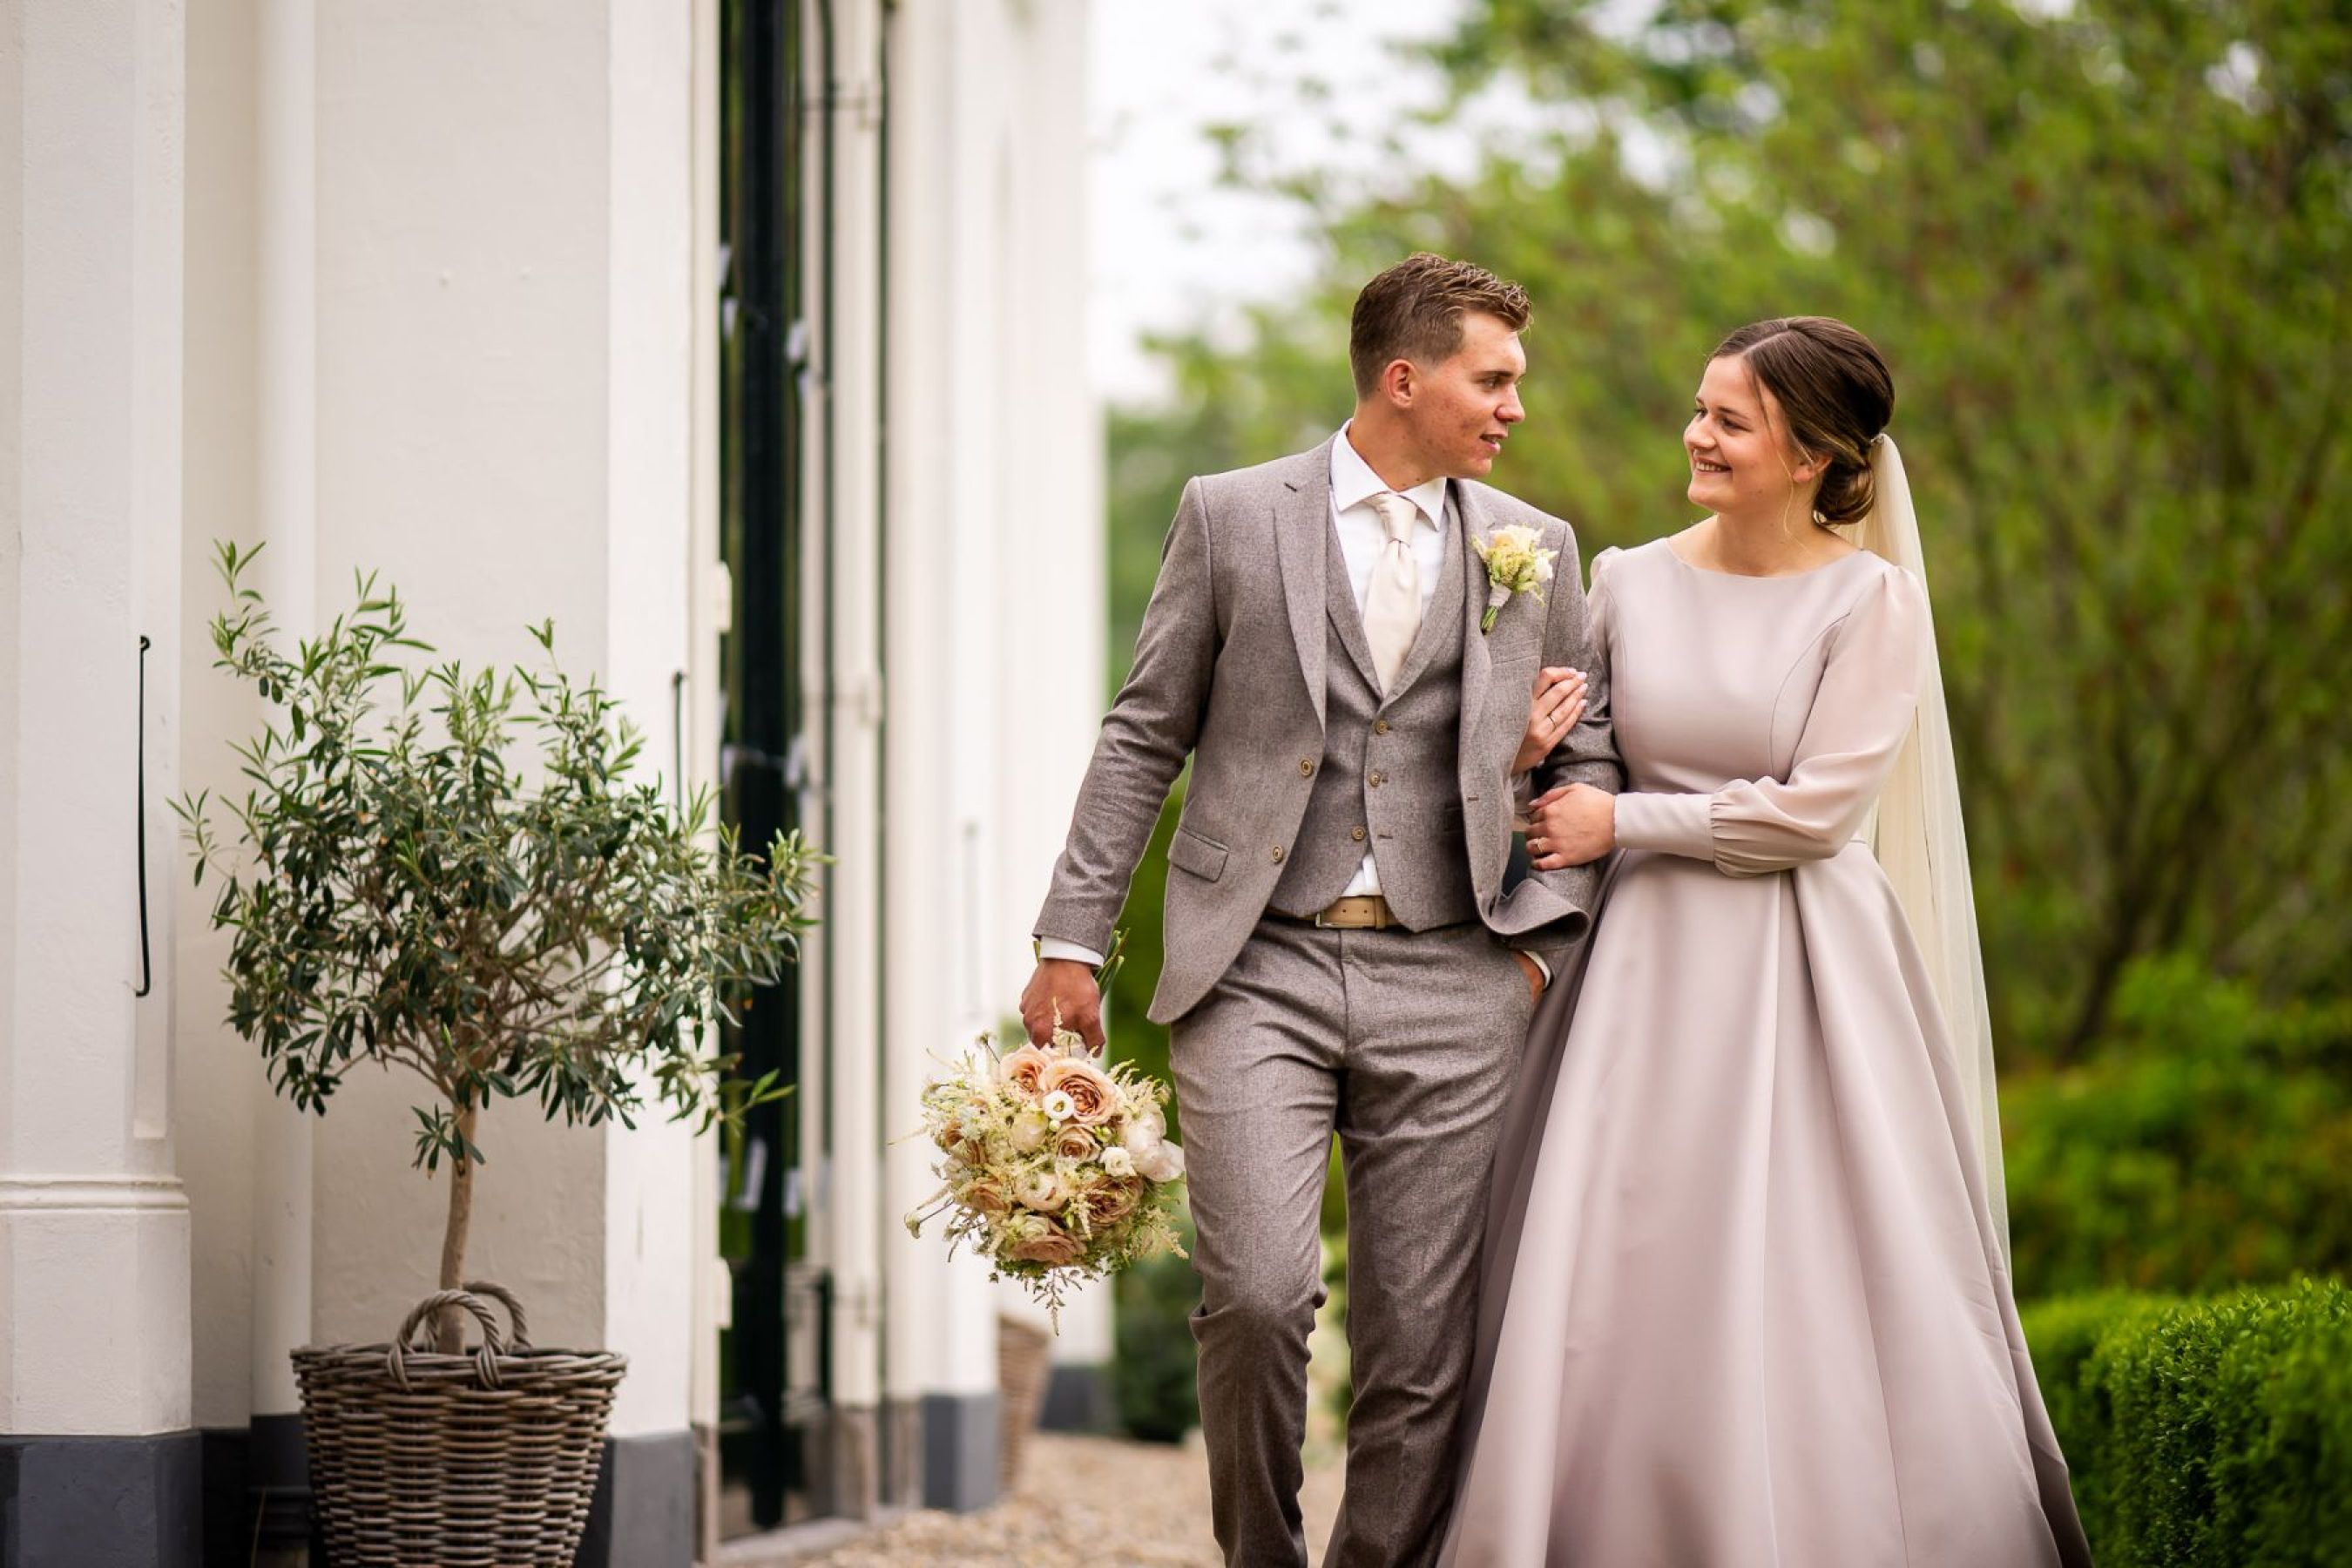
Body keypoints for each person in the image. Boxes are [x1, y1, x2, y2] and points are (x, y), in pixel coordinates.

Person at [1443, 316, 2092, 1565]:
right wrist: (1530, 755)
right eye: (1700, 409)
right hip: (1644, 971)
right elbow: (1574, 764)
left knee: (1818, 1257)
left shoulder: (1873, 600)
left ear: (1810, 456)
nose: (1697, 434)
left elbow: (1818, 810)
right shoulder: (1625, 576)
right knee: (1624, 1249)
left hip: (1809, 972)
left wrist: (1626, 816)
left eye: (1731, 421)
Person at [1023, 253, 1615, 1568]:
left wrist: (1538, 945)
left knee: (1423, 1337)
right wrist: (1072, 937)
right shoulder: (1231, 516)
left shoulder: (1537, 548)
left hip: (1458, 974)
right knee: (1256, 1295)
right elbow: (1142, 736)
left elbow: (1593, 763)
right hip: (1257, 967)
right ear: (1405, 378)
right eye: (1495, 376)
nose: (1517, 404)